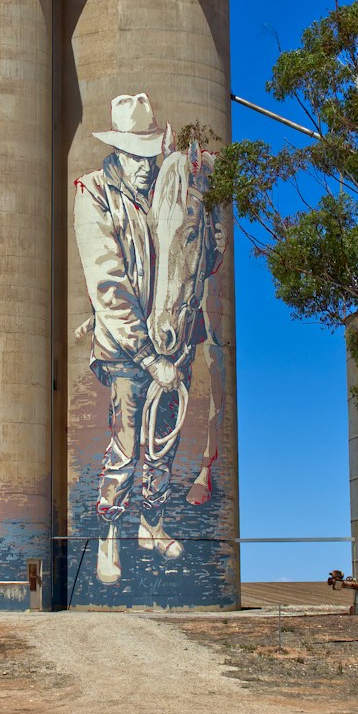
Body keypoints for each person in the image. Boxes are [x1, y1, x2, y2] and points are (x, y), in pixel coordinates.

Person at [73, 93, 219, 585]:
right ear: (117, 152)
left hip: (176, 339)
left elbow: (198, 257)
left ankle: (150, 523)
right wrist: (147, 354)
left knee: (165, 441)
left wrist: (208, 218)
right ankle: (109, 535)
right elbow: (108, 287)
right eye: (133, 155)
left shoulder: (171, 186)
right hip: (124, 347)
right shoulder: (93, 193)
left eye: (149, 154)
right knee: (126, 443)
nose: (142, 166)